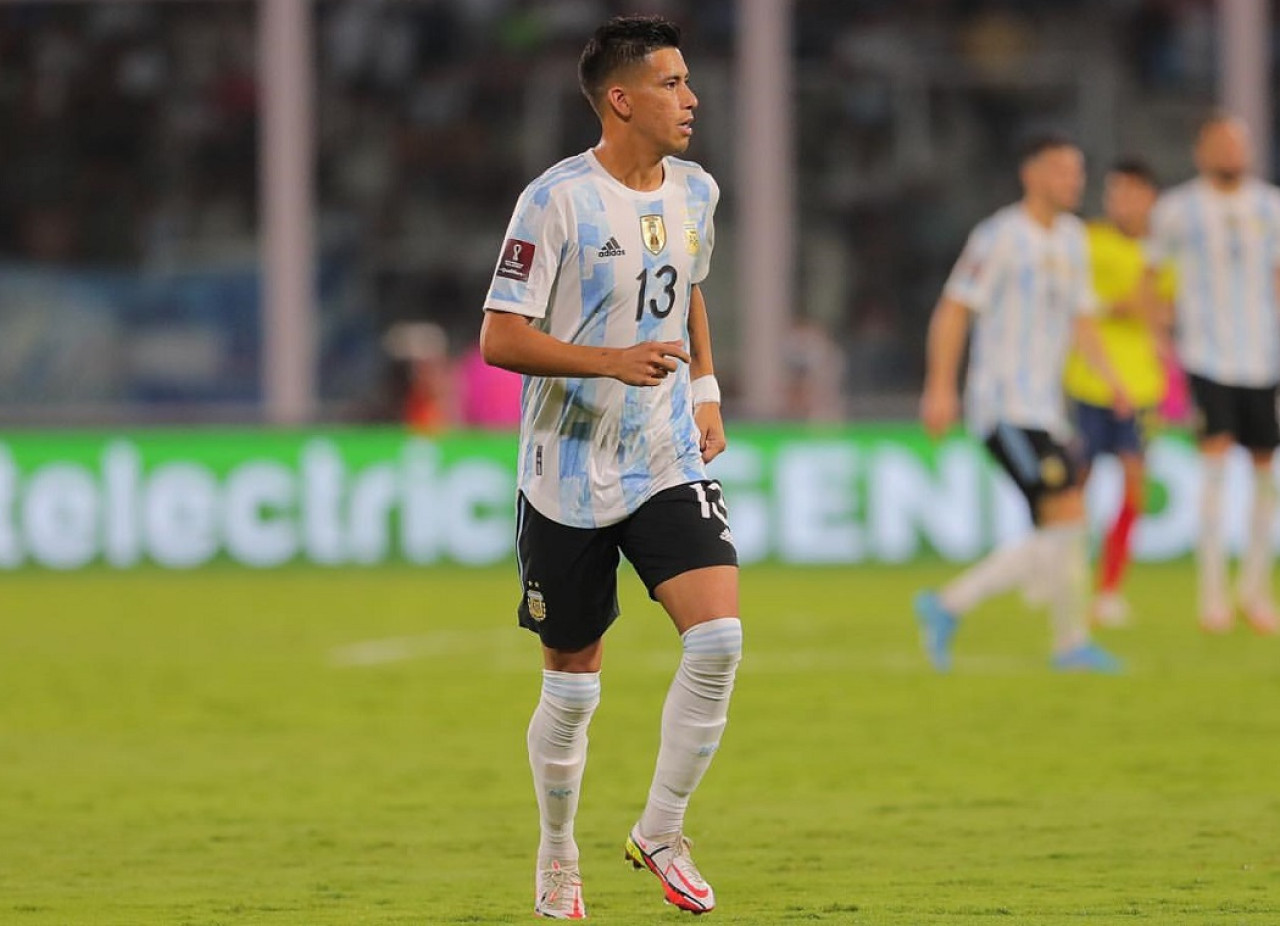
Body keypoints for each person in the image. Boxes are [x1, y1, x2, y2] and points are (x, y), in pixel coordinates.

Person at [479, 15, 740, 919]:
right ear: (621, 99)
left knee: (718, 639)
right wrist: (608, 362)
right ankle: (558, 852)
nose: (691, 97)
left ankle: (662, 828)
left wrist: (704, 387)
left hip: (663, 451)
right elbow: (499, 337)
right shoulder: (554, 201)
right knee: (572, 684)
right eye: (671, 83)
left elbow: (691, 286)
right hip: (566, 470)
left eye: (688, 80)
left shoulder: (698, 191)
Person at [915, 133, 1128, 673]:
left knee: (1060, 528)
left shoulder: (1075, 239)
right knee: (1068, 516)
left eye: (1077, 172)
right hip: (1003, 404)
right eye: (1061, 170)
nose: (1073, 181)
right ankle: (1067, 642)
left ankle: (952, 608)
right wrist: (940, 386)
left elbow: (1082, 319)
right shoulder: (1000, 236)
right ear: (1031, 174)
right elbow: (955, 308)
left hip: (1046, 409)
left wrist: (1112, 379)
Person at [1146, 113, 1280, 635]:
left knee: (1266, 473)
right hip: (1206, 355)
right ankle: (1212, 596)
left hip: (1263, 358)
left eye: (1238, 143)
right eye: (1221, 142)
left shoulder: (1270, 206)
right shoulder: (1178, 210)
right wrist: (1162, 350)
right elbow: (1153, 281)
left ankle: (1253, 589)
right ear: (1202, 149)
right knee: (1215, 466)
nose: (1231, 151)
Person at [1062, 158, 1174, 626]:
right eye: (1114, 193)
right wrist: (1117, 306)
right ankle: (1068, 581)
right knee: (1074, 489)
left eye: (1129, 192)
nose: (1119, 202)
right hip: (1088, 381)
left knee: (1133, 486)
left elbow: (1163, 315)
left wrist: (1139, 306)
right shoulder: (1089, 241)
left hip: (1142, 385)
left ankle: (1109, 591)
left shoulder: (1163, 254)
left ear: (1149, 198)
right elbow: (1075, 303)